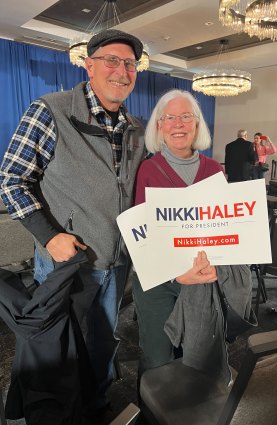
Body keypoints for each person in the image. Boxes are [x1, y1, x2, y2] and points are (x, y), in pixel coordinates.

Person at [0, 29, 145, 418]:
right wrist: (49, 238)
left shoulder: (136, 127)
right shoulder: (51, 109)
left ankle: (95, 405)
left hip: (117, 262)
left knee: (103, 341)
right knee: (62, 348)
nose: (121, 70)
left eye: (130, 63)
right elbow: (12, 180)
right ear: (89, 65)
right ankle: (60, 413)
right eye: (111, 60)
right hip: (68, 261)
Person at [132, 89, 255, 385]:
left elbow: (223, 232)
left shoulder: (214, 170)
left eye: (186, 116)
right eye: (170, 117)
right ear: (159, 126)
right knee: (158, 359)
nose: (178, 124)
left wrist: (219, 266)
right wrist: (176, 276)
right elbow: (142, 238)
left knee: (199, 359)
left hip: (204, 278)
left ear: (197, 125)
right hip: (160, 283)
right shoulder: (147, 170)